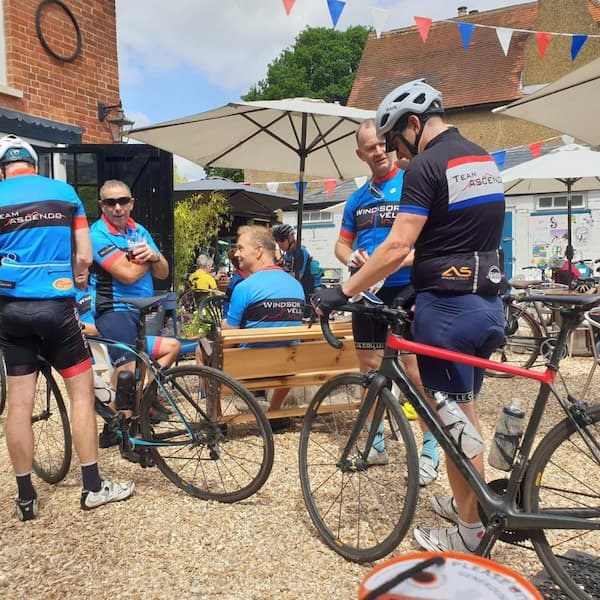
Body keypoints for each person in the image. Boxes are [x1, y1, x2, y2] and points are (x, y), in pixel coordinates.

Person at [312, 80, 506, 554]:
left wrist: (342, 291)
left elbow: (398, 245)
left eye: (395, 141)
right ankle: (470, 509)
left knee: (454, 429)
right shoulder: (481, 158)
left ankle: (470, 534)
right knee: (465, 418)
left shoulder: (425, 165)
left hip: (446, 310)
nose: (395, 152)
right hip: (486, 304)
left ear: (414, 126)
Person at [0, 135, 134, 520]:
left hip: (11, 312)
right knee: (79, 394)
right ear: (34, 163)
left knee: (19, 406)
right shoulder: (63, 192)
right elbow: (86, 257)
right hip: (57, 308)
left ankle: (26, 497)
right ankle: (92, 487)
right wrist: (75, 284)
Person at [334, 118, 438, 482]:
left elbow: (425, 242)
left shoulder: (411, 184)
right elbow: (341, 244)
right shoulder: (357, 199)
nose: (378, 151)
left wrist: (392, 261)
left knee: (414, 372)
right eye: (370, 147)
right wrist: (352, 260)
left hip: (403, 290)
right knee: (369, 372)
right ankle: (375, 443)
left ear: (389, 144)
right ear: (360, 154)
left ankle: (430, 447)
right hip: (366, 293)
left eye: (382, 144)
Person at [90, 179, 169, 445]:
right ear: (102, 205)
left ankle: (126, 415)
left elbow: (164, 272)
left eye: (123, 201)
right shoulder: (97, 234)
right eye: (111, 202)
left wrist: (154, 257)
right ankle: (120, 428)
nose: (118, 207)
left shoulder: (140, 230)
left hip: (143, 310)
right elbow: (126, 275)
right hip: (113, 308)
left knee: (156, 357)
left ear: (131, 203)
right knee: (127, 365)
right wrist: (149, 259)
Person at [222, 225, 305, 424]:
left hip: (250, 367)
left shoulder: (245, 287)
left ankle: (218, 418)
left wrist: (223, 326)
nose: (237, 254)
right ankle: (274, 411)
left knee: (203, 349)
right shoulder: (296, 285)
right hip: (287, 364)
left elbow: (231, 334)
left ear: (258, 251)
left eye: (241, 248)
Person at [271, 223, 322, 319]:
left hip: (311, 292)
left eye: (282, 240)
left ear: (290, 238)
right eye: (276, 241)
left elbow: (297, 277)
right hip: (300, 290)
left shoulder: (300, 252)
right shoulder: (287, 254)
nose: (279, 244)